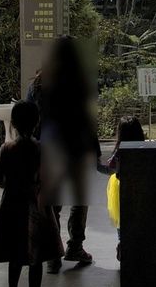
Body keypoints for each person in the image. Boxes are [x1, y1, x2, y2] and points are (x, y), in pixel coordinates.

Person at [33, 36, 103, 273]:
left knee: (52, 203)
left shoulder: (39, 83)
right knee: (79, 200)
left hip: (49, 149)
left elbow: (32, 117)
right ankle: (75, 246)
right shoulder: (82, 82)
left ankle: (53, 254)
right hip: (76, 148)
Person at [0, 100, 63, 287]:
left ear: (13, 122)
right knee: (37, 256)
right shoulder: (41, 149)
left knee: (15, 252)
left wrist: (12, 186)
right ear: (37, 121)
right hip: (36, 205)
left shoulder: (7, 148)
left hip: (12, 205)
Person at [105, 116, 146, 262]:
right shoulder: (144, 148)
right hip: (141, 188)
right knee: (139, 218)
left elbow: (110, 167)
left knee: (122, 220)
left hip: (121, 188)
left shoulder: (119, 151)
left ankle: (122, 245)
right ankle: (139, 248)